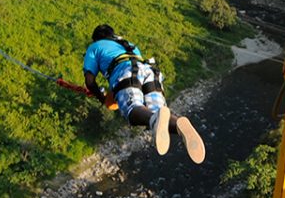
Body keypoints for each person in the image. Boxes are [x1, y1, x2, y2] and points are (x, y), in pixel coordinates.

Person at [83, 24, 206, 164]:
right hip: (149, 72)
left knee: (133, 109)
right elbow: (117, 86)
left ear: (96, 38)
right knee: (158, 114)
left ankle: (154, 119)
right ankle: (179, 124)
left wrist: (100, 97)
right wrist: (110, 98)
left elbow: (90, 81)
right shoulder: (127, 44)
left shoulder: (94, 47)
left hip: (125, 73)